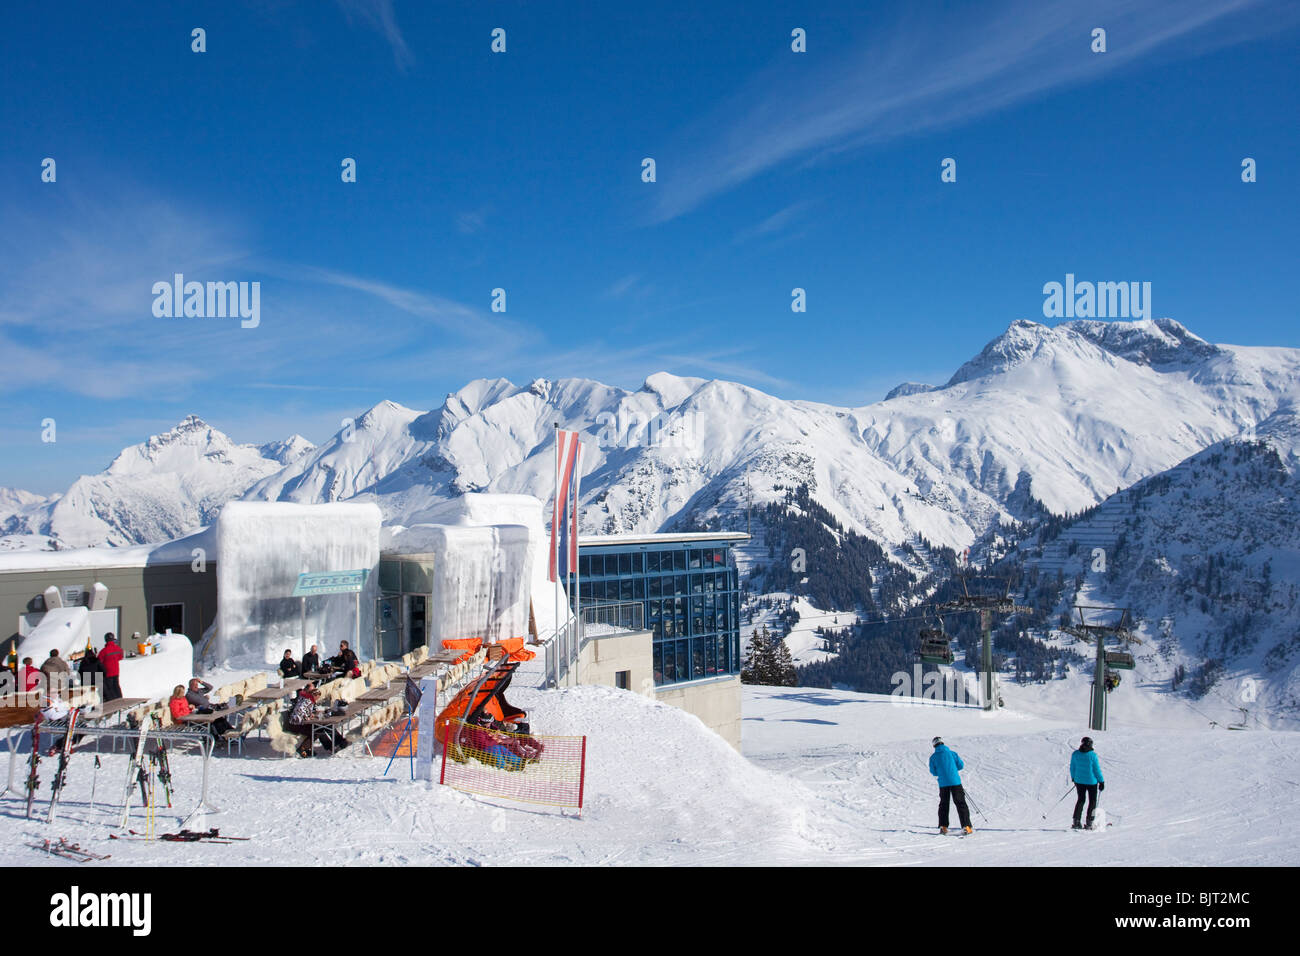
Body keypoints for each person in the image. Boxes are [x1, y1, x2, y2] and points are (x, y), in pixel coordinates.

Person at [928, 736, 973, 835]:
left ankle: (943, 827)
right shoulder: (952, 753)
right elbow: (960, 765)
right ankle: (967, 826)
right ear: (943, 743)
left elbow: (933, 771)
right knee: (961, 803)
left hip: (943, 784)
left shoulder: (933, 757)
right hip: (955, 782)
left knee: (944, 804)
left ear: (934, 745)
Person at [286, 682, 346, 756]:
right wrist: (307, 717)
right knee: (317, 730)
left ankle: (335, 743)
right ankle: (302, 749)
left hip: (301, 722)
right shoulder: (305, 699)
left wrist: (311, 714)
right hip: (296, 724)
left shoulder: (308, 698)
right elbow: (299, 711)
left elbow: (308, 710)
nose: (317, 699)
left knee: (322, 726)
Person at [1070, 736, 1105, 830]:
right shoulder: (1092, 755)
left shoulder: (1075, 754)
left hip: (1079, 781)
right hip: (1091, 782)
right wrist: (1101, 781)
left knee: (1081, 800)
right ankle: (1089, 822)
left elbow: (1072, 767)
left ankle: (1076, 821)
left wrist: (1073, 777)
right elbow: (1096, 769)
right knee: (1092, 801)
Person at [98, 634, 124, 702]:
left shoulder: (103, 651)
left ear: (106, 640)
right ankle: (120, 699)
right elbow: (121, 657)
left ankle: (113, 702)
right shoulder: (118, 648)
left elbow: (98, 661)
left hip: (108, 672)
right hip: (116, 671)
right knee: (116, 686)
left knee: (110, 688)